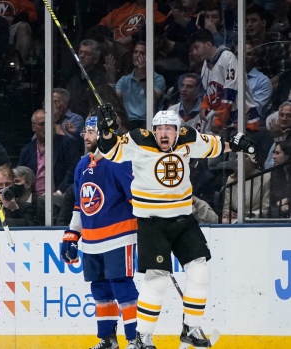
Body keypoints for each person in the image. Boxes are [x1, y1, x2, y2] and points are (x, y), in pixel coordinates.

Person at [96, 106, 258, 348]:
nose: (164, 133)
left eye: (169, 129)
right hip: (152, 223)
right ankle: (144, 337)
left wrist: (235, 143)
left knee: (200, 271)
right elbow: (111, 151)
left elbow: (214, 145)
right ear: (153, 131)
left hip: (184, 220)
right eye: (159, 129)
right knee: (157, 279)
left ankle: (191, 329)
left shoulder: (188, 138)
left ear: (177, 130)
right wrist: (106, 132)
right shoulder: (139, 140)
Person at [61, 115, 139, 349]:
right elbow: (80, 202)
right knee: (100, 288)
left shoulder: (120, 162)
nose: (87, 136)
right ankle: (108, 339)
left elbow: (135, 198)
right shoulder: (82, 164)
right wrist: (73, 233)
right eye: (85, 131)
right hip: (92, 240)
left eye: (93, 131)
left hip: (119, 236)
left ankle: (136, 339)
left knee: (121, 285)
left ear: (107, 133)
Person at [190, 29, 259, 134]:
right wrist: (204, 106)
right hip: (225, 123)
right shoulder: (205, 64)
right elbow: (208, 92)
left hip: (243, 120)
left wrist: (219, 120)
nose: (194, 53)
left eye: (196, 47)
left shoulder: (227, 57)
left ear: (208, 45)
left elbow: (230, 94)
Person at [115, 42, 166, 131]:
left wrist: (143, 75)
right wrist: (111, 77)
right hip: (128, 123)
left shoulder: (158, 78)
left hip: (148, 122)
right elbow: (114, 99)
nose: (137, 55)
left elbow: (153, 100)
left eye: (142, 53)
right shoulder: (124, 80)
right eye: (135, 52)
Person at [221, 153, 270, 223]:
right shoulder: (231, 179)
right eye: (237, 156)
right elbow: (226, 208)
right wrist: (228, 214)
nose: (238, 160)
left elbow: (266, 210)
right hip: (235, 221)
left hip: (257, 222)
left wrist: (247, 215)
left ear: (254, 160)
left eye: (245, 156)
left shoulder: (266, 178)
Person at [269, 141, 291, 218]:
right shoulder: (275, 172)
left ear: (288, 155)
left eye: (277, 153)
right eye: (274, 153)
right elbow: (273, 200)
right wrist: (279, 208)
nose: (273, 157)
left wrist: (288, 200)